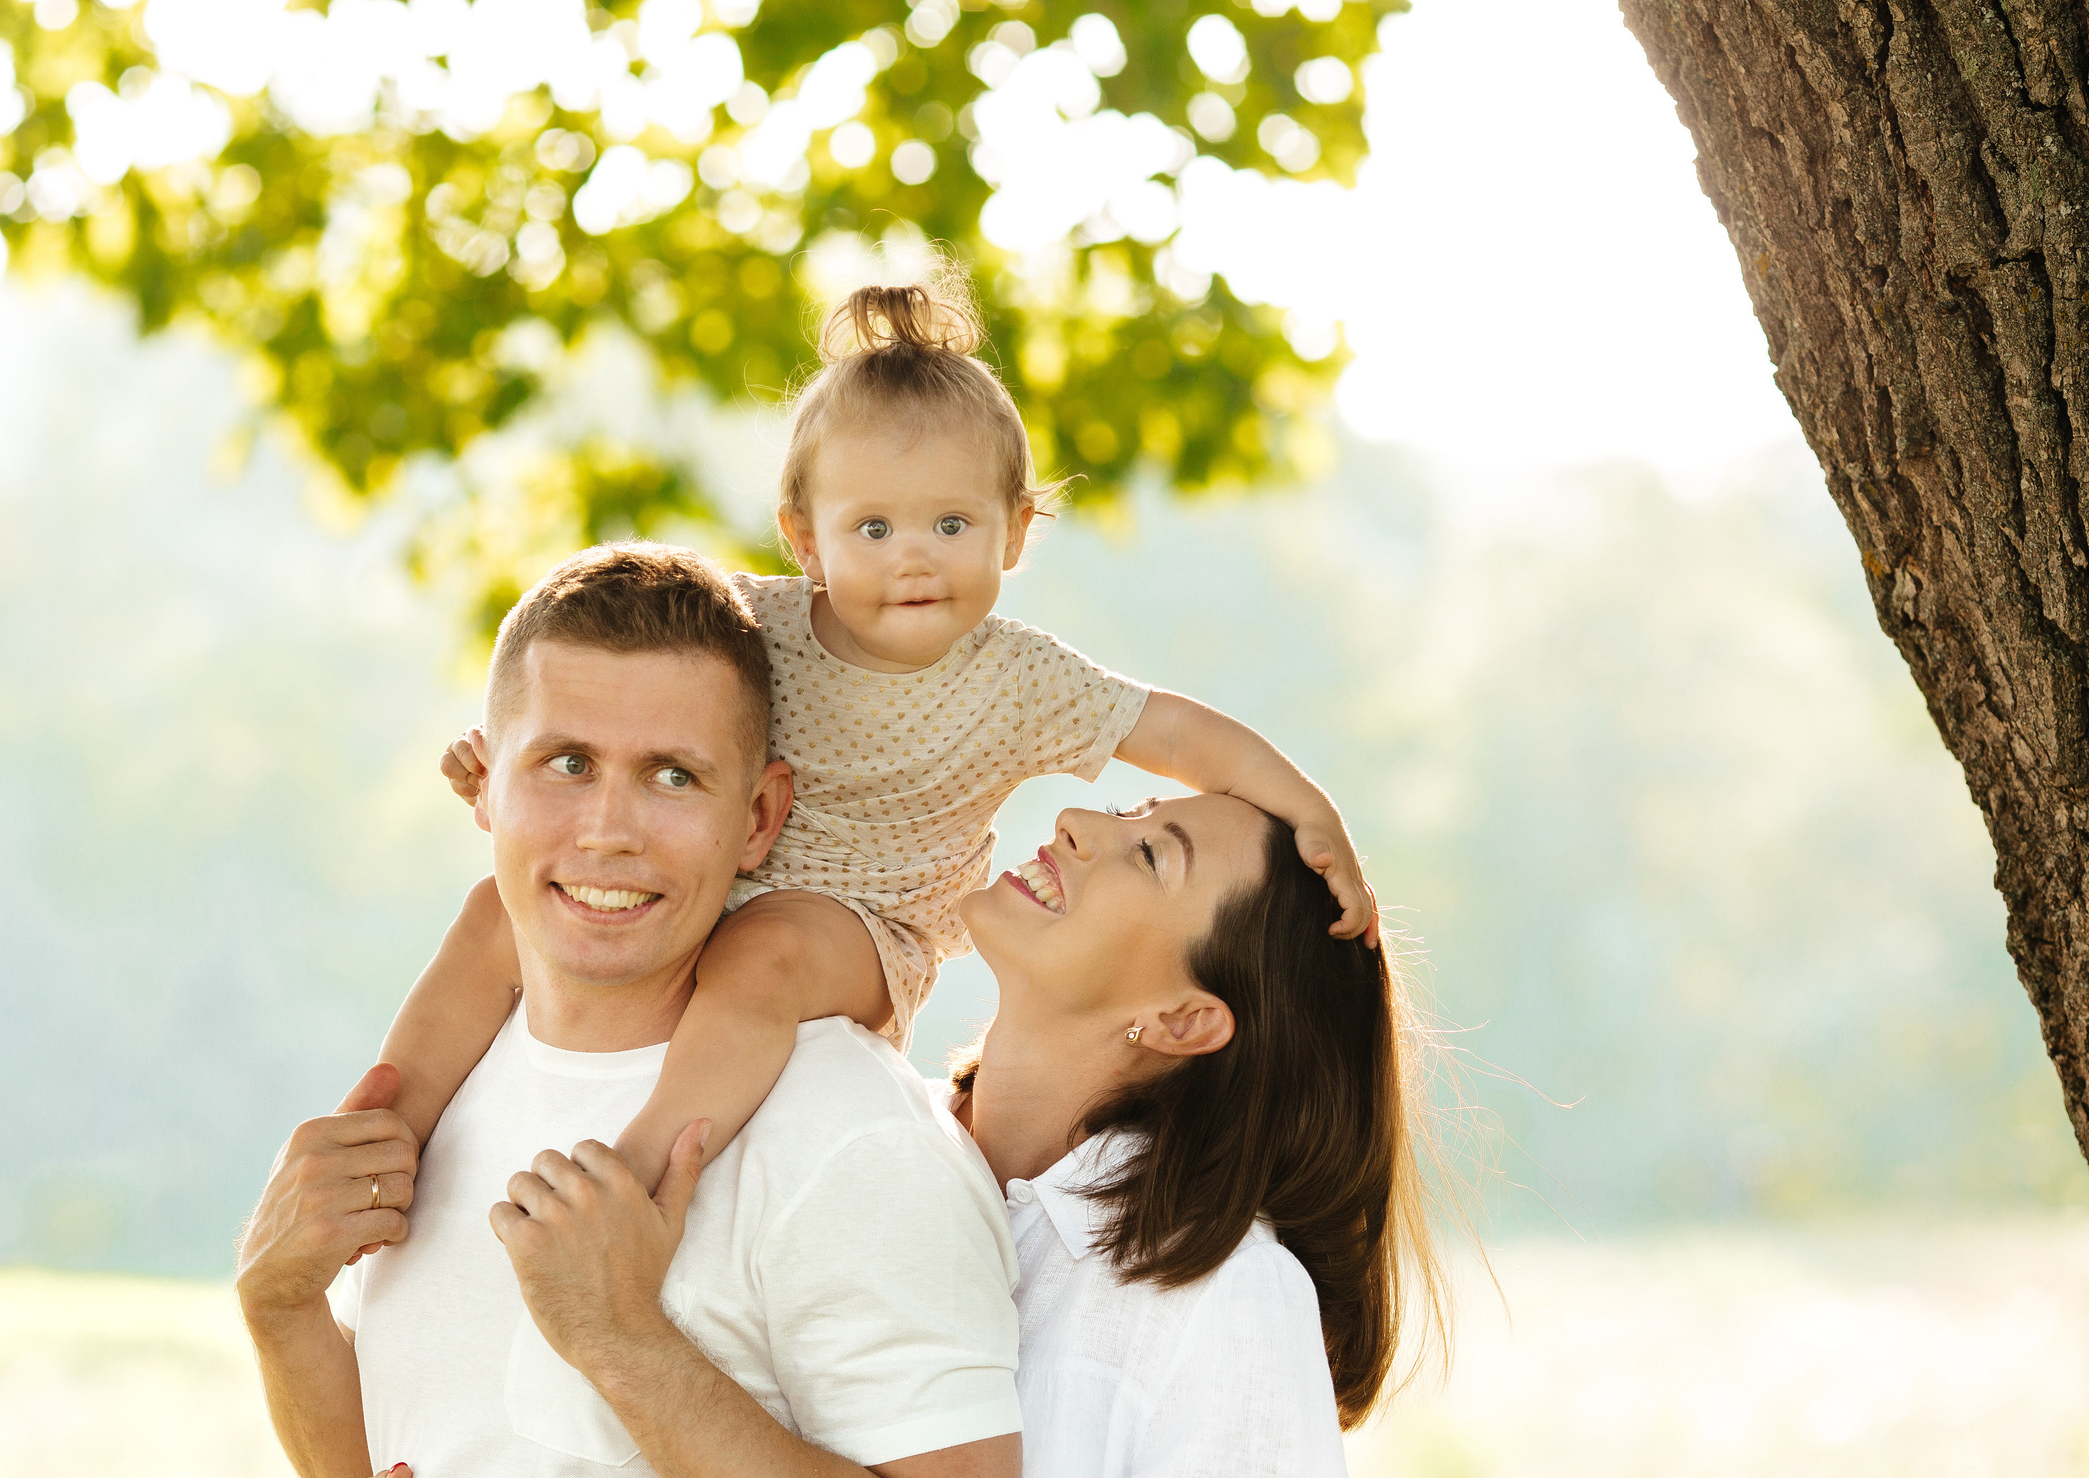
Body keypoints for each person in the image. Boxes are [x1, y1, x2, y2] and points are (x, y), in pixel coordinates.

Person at [383, 263, 1378, 1211]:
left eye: (951, 526)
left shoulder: (1019, 678)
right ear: (805, 537)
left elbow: (1181, 735)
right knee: (492, 912)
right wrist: (511, 774)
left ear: (1015, 532)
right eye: (872, 531)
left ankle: (649, 1165)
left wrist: (1310, 810)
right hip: (713, 883)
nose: (913, 560)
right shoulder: (753, 626)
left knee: (763, 957)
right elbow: (612, 708)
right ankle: (388, 1121)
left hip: (863, 929)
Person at [235, 543, 1029, 1478]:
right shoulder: (453, 1087)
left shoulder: (846, 1130)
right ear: (486, 786)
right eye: (565, 763)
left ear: (759, 817)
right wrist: (279, 1306)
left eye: (671, 777)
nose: (609, 830)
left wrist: (624, 1342)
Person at [451, 790, 1433, 1478]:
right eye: (1126, 808)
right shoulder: (833, 1135)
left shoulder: (1211, 1295)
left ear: (1180, 1019)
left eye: (1150, 854)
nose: (1081, 821)